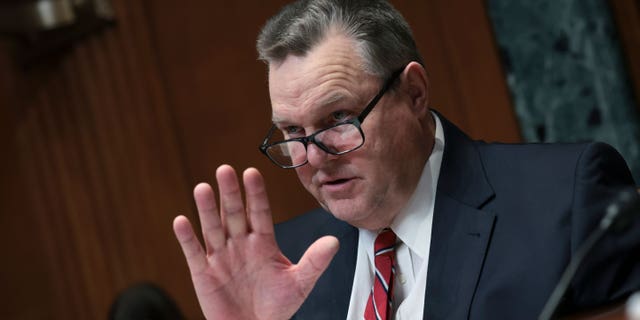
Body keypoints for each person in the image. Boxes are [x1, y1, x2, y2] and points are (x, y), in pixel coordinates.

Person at [172, 0, 640, 319]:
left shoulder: (566, 199)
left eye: (338, 117)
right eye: (294, 131)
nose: (315, 157)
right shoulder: (285, 262)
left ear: (413, 93)